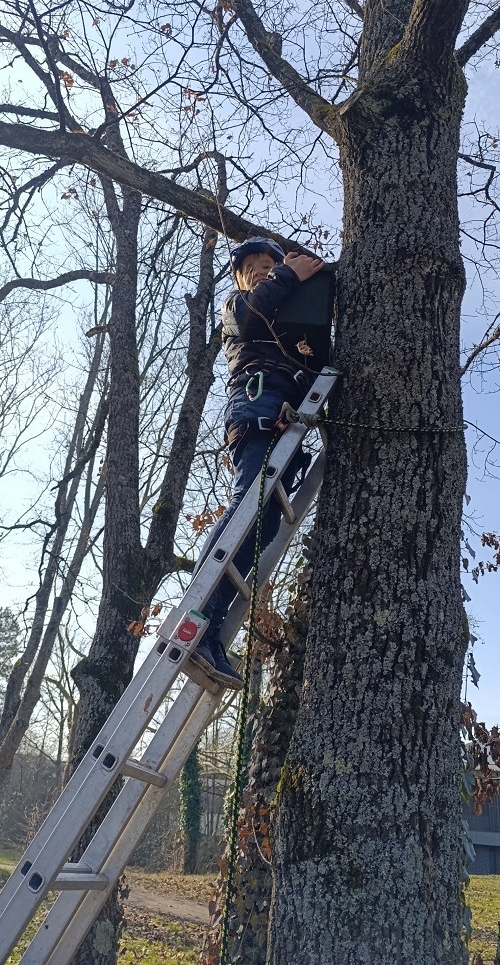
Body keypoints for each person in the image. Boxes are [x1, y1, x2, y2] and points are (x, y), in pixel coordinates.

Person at [190, 236, 325, 688]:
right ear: (240, 275)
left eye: (272, 262)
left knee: (264, 524)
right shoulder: (238, 305)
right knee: (246, 506)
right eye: (256, 265)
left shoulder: (286, 317)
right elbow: (252, 315)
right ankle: (198, 613)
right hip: (257, 404)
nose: (266, 268)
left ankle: (211, 625)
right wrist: (291, 274)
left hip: (285, 416)